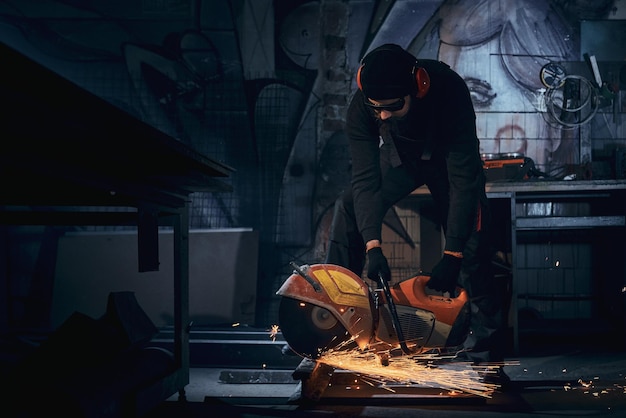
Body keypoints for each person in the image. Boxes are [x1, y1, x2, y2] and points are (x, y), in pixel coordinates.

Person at [325, 43, 509, 384]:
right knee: (348, 206)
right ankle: (335, 334)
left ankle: (486, 357)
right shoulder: (363, 107)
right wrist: (372, 246)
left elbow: (464, 181)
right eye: (375, 108)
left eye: (392, 107)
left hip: (448, 162)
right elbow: (365, 180)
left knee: (471, 242)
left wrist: (453, 252)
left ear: (418, 87)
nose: (381, 115)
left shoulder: (449, 90)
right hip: (401, 160)